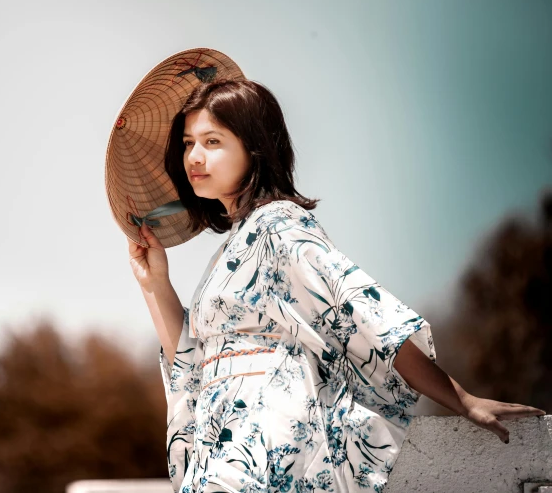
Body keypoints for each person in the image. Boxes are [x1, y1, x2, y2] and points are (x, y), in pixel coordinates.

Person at [125, 78, 546, 492]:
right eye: (187, 143)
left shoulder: (279, 227)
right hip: (223, 444)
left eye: (212, 141)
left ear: (254, 149)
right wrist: (154, 282)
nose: (194, 157)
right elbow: (192, 355)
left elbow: (359, 316)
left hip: (267, 440)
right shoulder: (234, 245)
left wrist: (463, 400)